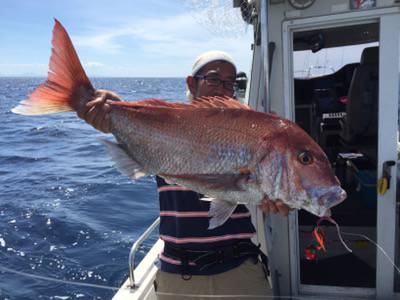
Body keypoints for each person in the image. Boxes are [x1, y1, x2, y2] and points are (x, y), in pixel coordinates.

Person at [77, 51, 291, 299]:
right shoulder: (169, 123)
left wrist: (281, 197)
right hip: (178, 275)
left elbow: (258, 186)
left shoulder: (247, 131)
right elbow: (145, 124)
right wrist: (110, 109)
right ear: (192, 83)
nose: (222, 88)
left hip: (240, 270)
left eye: (230, 82)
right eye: (213, 79)